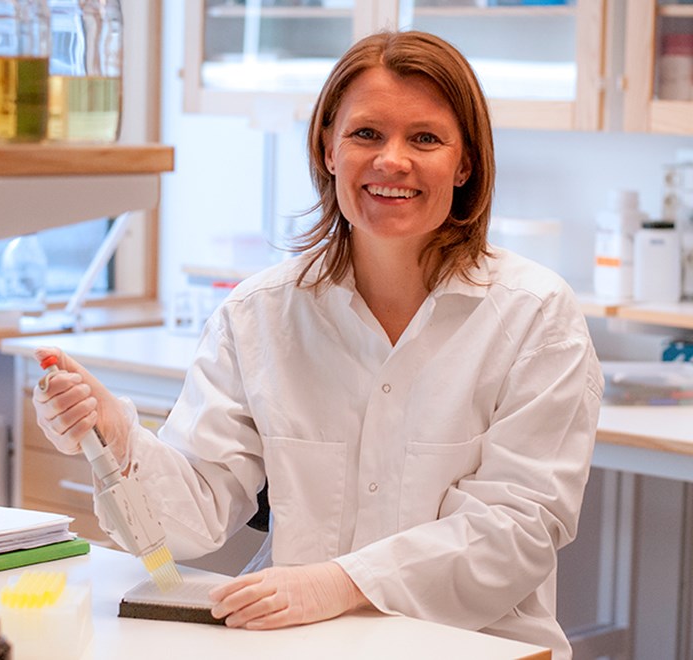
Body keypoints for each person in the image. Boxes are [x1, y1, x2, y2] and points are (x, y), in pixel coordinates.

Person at [33, 30, 603, 659]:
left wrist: (338, 584)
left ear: (464, 164)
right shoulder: (260, 315)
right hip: (299, 644)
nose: (392, 160)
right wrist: (118, 438)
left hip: (475, 647)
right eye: (366, 134)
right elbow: (190, 518)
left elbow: (516, 531)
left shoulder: (535, 318)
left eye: (426, 138)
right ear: (328, 148)